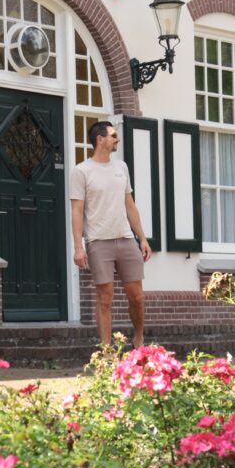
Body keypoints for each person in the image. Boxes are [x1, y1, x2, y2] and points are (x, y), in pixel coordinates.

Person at [70, 120, 151, 348]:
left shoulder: (121, 167)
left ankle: (138, 339)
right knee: (105, 298)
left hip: (126, 240)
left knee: (137, 296)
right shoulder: (81, 171)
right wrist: (78, 247)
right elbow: (76, 211)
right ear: (100, 139)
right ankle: (106, 350)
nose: (117, 139)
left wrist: (142, 238)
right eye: (114, 135)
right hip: (98, 242)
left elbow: (130, 206)